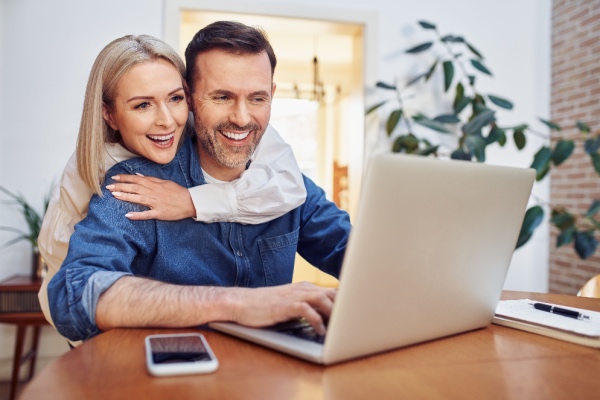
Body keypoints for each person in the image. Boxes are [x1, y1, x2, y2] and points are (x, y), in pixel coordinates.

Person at [48, 21, 351, 343]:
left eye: (258, 98)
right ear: (190, 98)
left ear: (272, 95)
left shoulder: (287, 185)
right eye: (222, 97)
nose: (242, 118)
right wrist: (238, 303)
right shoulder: (137, 187)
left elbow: (357, 256)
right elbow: (75, 295)